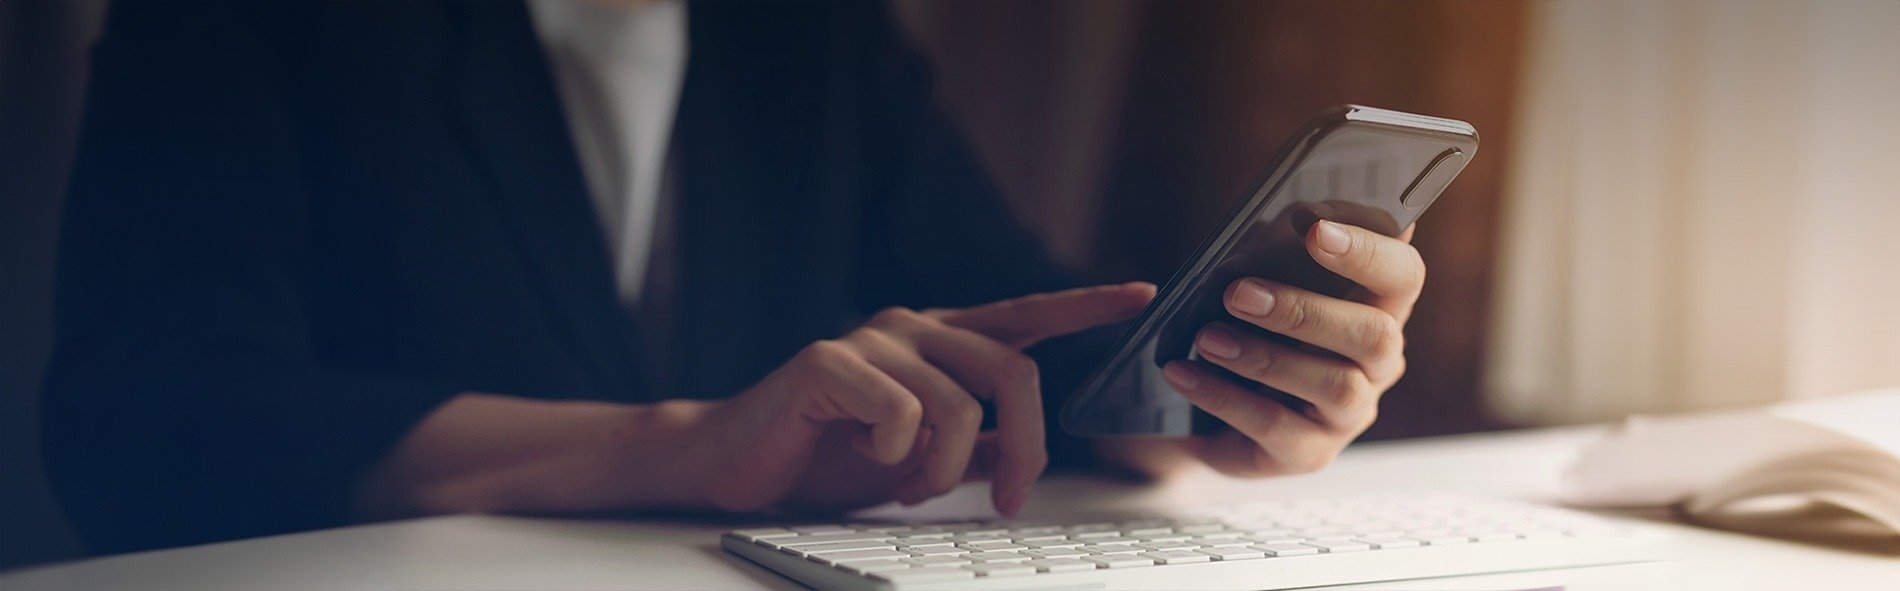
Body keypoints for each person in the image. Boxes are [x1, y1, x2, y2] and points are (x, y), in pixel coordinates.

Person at [43, 1, 1426, 555]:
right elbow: (147, 423)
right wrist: (686, 444)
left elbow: (1015, 318)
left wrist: (1221, 394)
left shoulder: (803, 32)